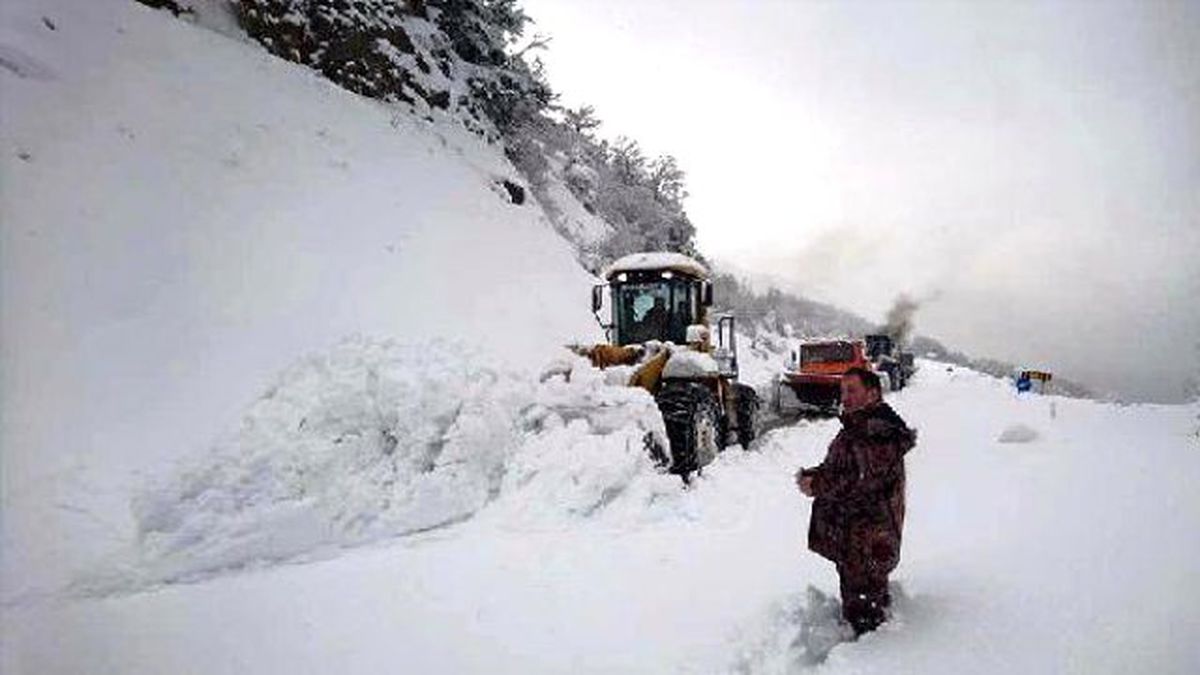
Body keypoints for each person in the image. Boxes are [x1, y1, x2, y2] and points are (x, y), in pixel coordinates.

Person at [796, 367, 916, 636]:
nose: (845, 397)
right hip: (854, 539)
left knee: (866, 619)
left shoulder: (879, 430)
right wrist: (816, 474)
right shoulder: (860, 425)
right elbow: (845, 467)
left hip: (868, 540)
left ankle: (866, 659)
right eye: (842, 391)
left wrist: (816, 484)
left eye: (852, 390)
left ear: (872, 393)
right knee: (856, 600)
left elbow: (860, 479)